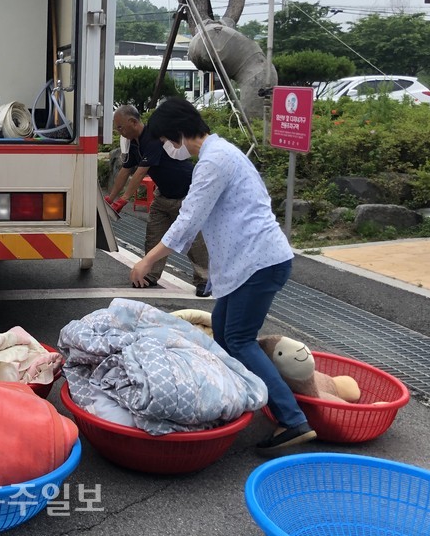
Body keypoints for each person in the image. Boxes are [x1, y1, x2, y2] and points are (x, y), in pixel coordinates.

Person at [128, 97, 314, 453]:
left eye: (168, 141)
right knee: (227, 336)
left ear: (179, 134)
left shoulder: (214, 161)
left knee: (239, 339)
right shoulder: (222, 152)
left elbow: (189, 218)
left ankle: (292, 420)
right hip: (250, 262)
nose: (168, 149)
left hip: (258, 262)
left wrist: (147, 260)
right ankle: (245, 397)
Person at [106, 104, 210, 295]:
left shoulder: (152, 138)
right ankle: (150, 275)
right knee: (154, 234)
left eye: (120, 127)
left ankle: (204, 280)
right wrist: (110, 198)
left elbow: (140, 172)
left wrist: (125, 199)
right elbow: (125, 169)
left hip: (185, 195)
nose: (118, 131)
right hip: (163, 195)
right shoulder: (133, 143)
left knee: (193, 240)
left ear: (133, 122)